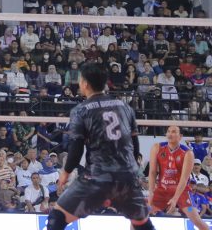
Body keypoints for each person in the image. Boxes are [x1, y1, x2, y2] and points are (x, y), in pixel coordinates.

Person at [48, 63, 155, 230]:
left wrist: (65, 173)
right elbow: (135, 145)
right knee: (142, 223)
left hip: (98, 177)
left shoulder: (80, 110)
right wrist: (131, 172)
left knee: (57, 217)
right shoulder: (125, 107)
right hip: (126, 178)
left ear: (85, 83)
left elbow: (76, 150)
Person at [147, 125, 208, 230]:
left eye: (174, 132)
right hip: (162, 190)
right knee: (139, 216)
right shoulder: (157, 147)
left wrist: (175, 199)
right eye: (168, 131)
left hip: (182, 192)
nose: (170, 134)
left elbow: (184, 179)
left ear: (180, 136)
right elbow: (152, 172)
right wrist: (151, 192)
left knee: (197, 221)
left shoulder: (188, 153)